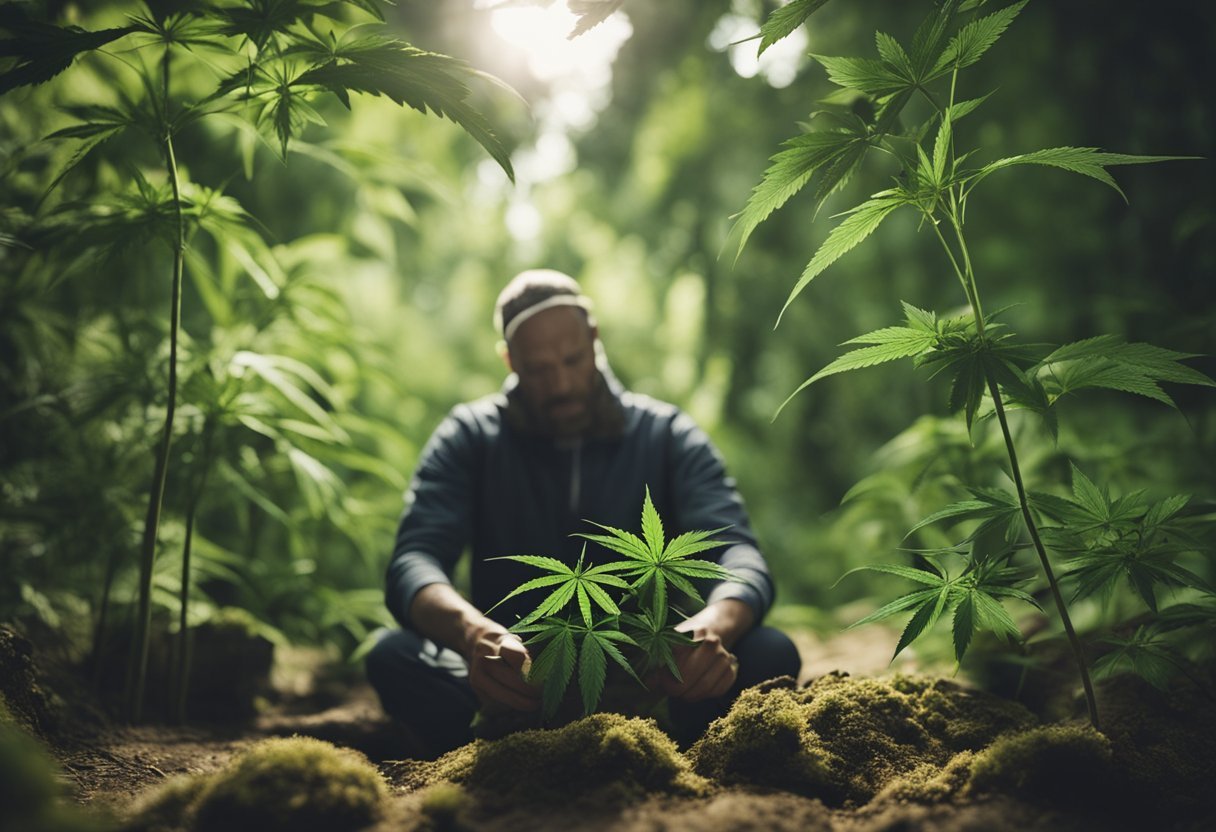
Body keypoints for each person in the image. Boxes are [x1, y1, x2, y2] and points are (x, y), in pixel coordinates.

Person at [366, 269, 800, 757]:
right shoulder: (471, 436)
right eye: (538, 369)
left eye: (573, 359)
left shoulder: (666, 435)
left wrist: (712, 626)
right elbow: (414, 560)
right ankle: (499, 743)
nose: (562, 383)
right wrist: (474, 635)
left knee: (768, 652)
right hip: (515, 676)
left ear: (594, 339)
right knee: (394, 656)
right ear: (510, 361)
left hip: (652, 676)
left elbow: (738, 552)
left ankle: (671, 737)